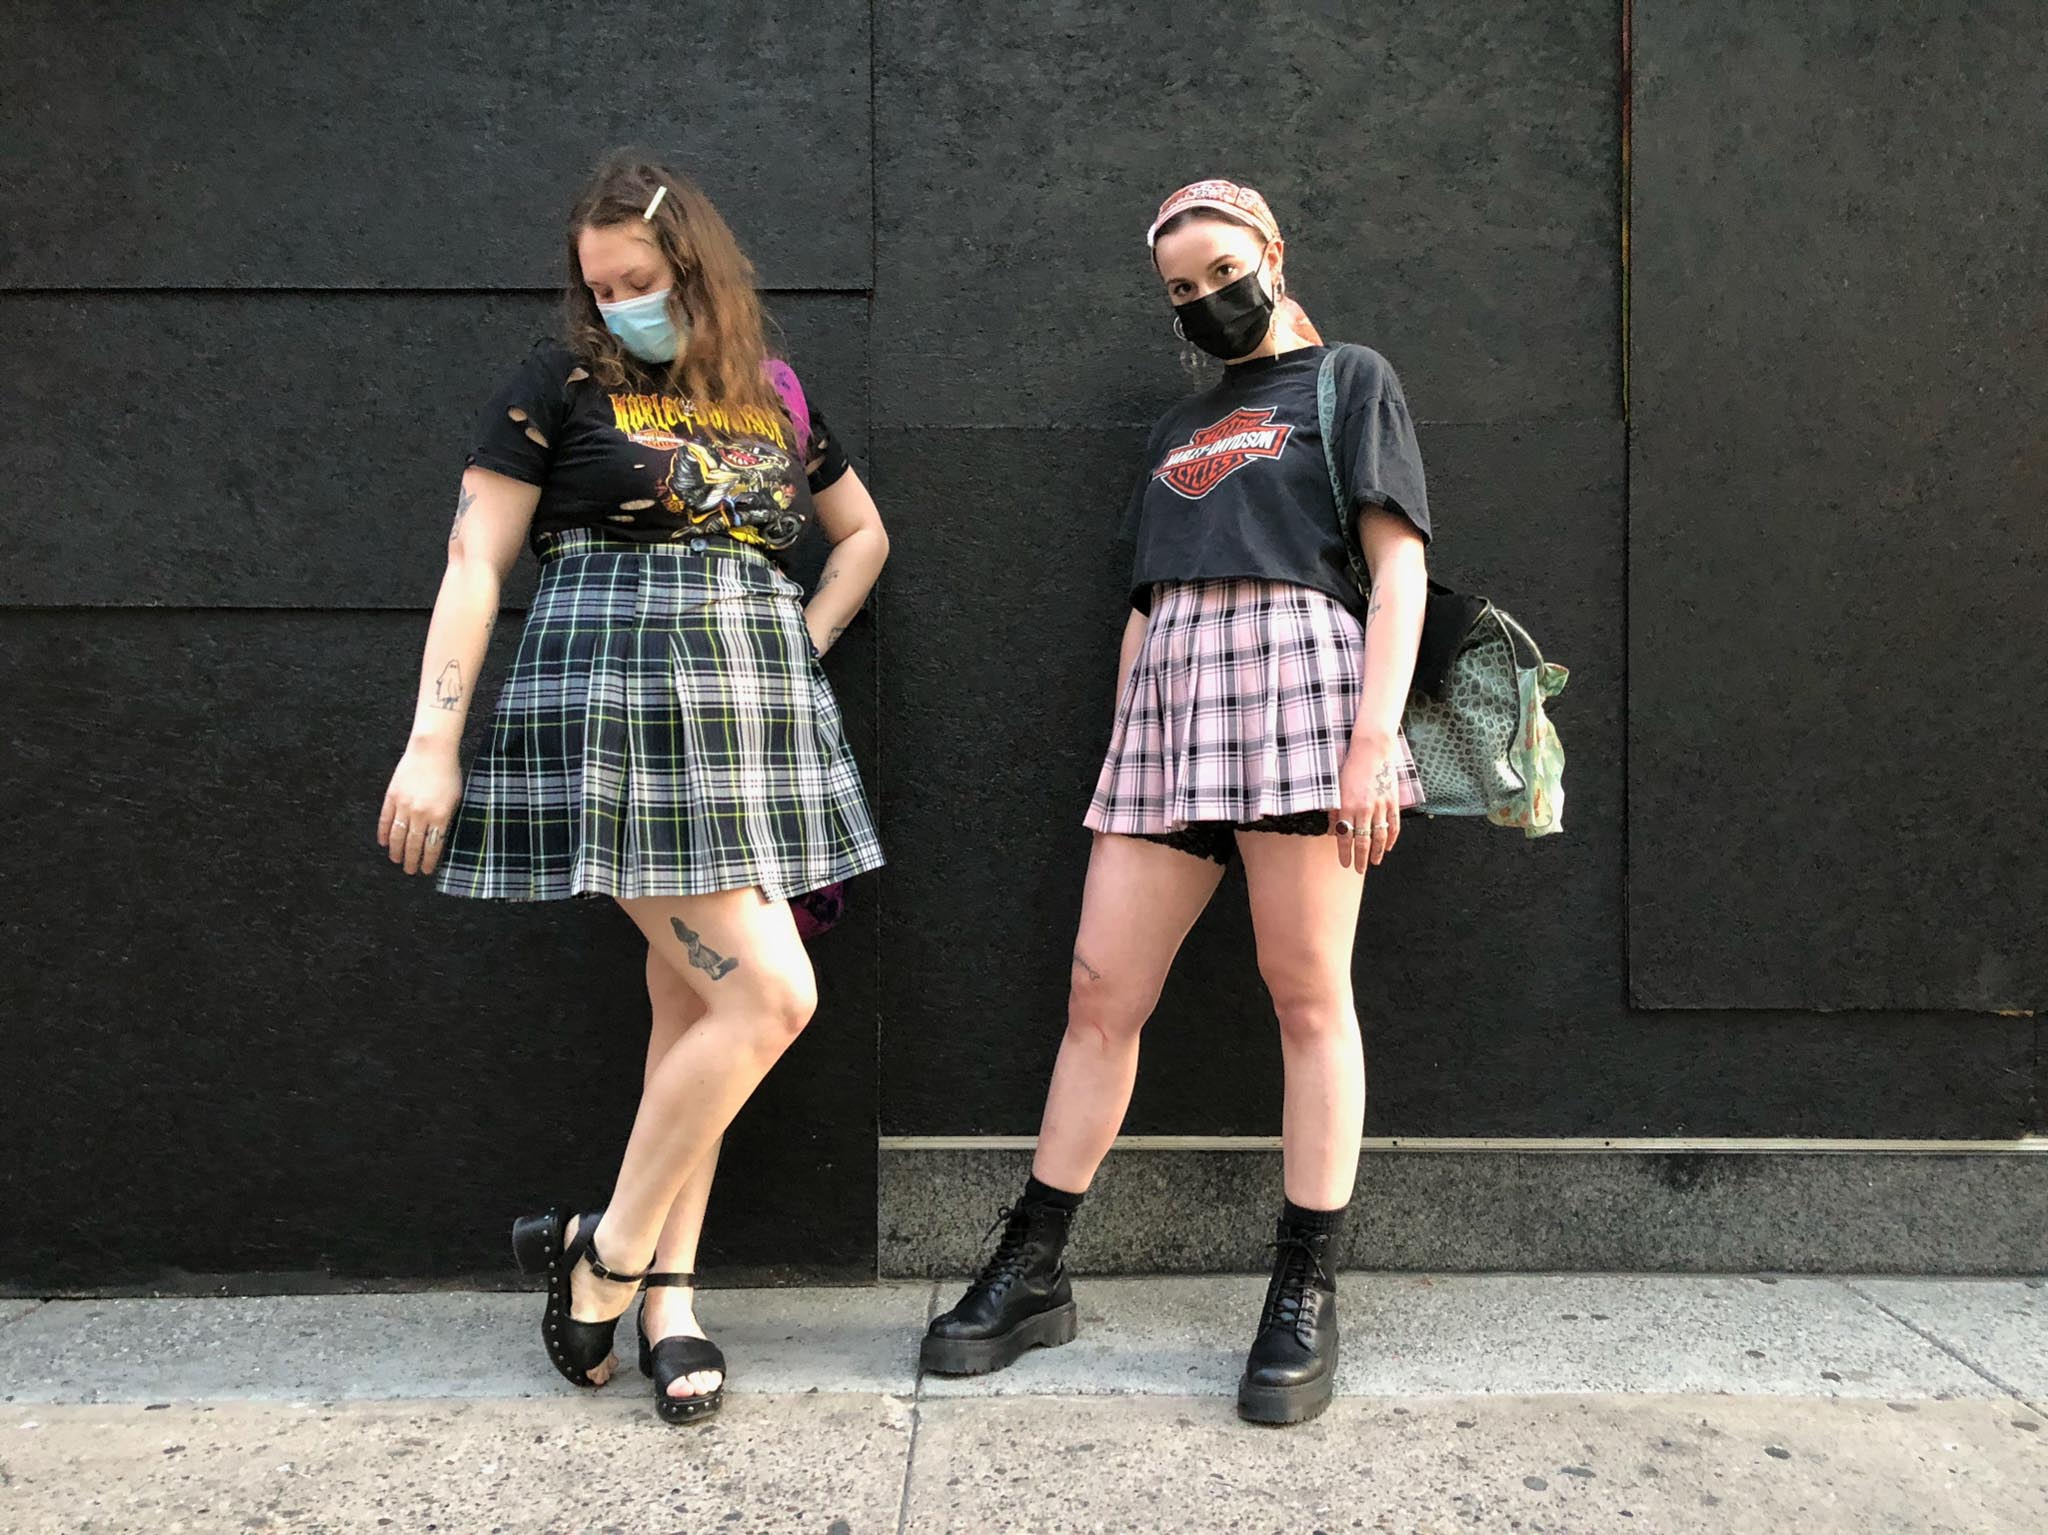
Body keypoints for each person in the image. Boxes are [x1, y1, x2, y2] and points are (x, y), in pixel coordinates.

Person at [376, 151, 887, 1426]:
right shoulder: (556, 382)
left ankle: (670, 1294)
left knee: (690, 1015)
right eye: (599, 287)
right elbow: (474, 560)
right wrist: (431, 738)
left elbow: (862, 532)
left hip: (747, 713)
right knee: (768, 993)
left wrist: (800, 639)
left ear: (695, 270)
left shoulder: (772, 391)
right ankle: (601, 1255)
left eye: (639, 282)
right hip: (613, 703)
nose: (616, 306)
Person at [920, 179, 1431, 1425]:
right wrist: (1121, 745)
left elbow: (1398, 563)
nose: (1205, 299)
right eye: (1181, 291)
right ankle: (1032, 1266)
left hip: (1301, 689)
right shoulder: (1176, 427)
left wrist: (1373, 738)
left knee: (1305, 993)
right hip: (1169, 710)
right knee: (1102, 990)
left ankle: (1303, 1287)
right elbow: (1146, 602)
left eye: (1219, 271)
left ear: (1268, 250)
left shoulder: (1345, 379)